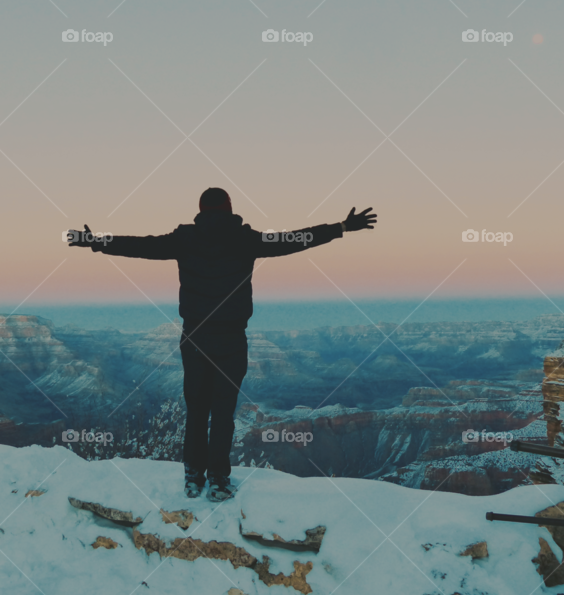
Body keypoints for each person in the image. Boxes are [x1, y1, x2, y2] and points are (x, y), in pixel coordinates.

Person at [68, 188, 376, 501]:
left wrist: (95, 241)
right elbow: (294, 239)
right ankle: (218, 480)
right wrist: (341, 227)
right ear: (229, 208)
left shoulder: (184, 239)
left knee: (196, 412)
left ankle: (192, 477)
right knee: (223, 413)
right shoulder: (246, 239)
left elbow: (139, 245)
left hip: (195, 339)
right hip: (231, 340)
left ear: (200, 210)